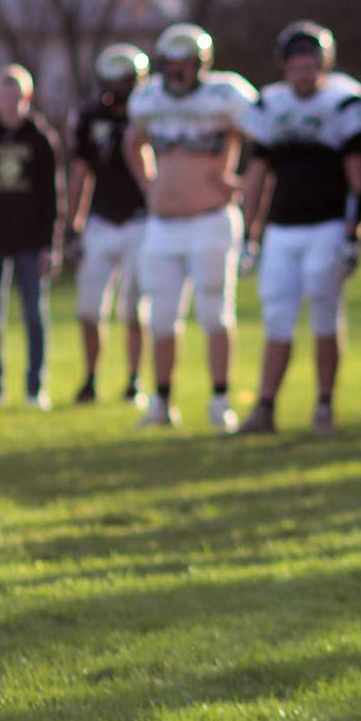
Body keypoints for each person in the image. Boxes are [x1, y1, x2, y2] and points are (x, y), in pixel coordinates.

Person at [236, 21, 361, 436]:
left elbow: (359, 176)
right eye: (295, 65)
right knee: (276, 317)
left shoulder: (343, 102)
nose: (302, 73)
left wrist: (356, 230)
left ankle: (323, 405)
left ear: (324, 65)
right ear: (284, 67)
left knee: (323, 316)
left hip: (328, 224)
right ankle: (265, 407)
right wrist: (250, 232)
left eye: (309, 64)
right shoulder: (270, 105)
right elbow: (257, 175)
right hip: (282, 228)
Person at [124, 23, 257, 430]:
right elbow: (133, 140)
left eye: (185, 63)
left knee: (215, 316)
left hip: (211, 220)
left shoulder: (226, 94)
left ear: (201, 64)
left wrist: (242, 180)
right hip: (163, 225)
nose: (177, 72)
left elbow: (264, 139)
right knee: (160, 319)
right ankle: (161, 403)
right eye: (172, 64)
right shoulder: (149, 98)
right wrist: (149, 182)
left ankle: (220, 400)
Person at [68, 43, 150, 406]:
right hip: (101, 220)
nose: (118, 89)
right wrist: (73, 222)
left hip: (139, 220)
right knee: (88, 309)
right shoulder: (90, 117)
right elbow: (80, 171)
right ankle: (91, 378)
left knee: (134, 308)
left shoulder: (150, 113)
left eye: (124, 81)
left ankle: (134, 379)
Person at [0, 64, 62, 409]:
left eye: (16, 96)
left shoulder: (40, 139)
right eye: (4, 95)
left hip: (30, 241)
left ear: (28, 97)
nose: (10, 102)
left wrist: (50, 246)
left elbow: (53, 197)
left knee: (34, 316)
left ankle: (36, 388)